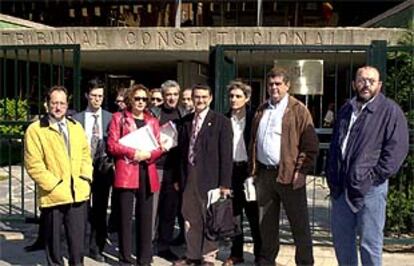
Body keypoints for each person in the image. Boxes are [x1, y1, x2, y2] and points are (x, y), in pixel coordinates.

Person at [326, 65, 409, 266]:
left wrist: (373, 177)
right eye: (362, 80)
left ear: (379, 85)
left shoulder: (390, 111)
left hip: (370, 189)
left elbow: (396, 150)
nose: (366, 85)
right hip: (341, 188)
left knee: (370, 245)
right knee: (342, 243)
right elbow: (337, 143)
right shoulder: (347, 109)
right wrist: (331, 173)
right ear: (355, 83)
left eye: (371, 81)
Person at [249, 67, 319, 266]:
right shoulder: (261, 109)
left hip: (290, 175)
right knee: (266, 223)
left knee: (299, 224)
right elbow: (253, 141)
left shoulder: (298, 110)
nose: (274, 87)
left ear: (287, 86)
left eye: (278, 84)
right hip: (265, 174)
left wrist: (302, 171)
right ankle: (267, 259)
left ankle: (305, 262)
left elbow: (310, 145)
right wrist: (253, 170)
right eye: (271, 84)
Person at [24, 85, 93, 266]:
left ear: (67, 104)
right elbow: (34, 164)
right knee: (54, 247)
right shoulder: (35, 130)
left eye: (62, 103)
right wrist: (55, 185)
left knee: (77, 247)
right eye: (54, 103)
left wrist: (85, 177)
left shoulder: (75, 127)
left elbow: (86, 155)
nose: (58, 107)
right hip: (53, 195)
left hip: (78, 194)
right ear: (47, 104)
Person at [174, 84, 233, 266]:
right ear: (192, 98)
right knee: (190, 218)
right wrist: (178, 178)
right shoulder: (185, 121)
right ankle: (192, 255)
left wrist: (224, 184)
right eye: (196, 97)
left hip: (211, 178)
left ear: (210, 98)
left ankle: (208, 257)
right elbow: (179, 153)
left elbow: (226, 154)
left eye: (203, 97)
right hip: (188, 176)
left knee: (210, 218)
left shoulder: (221, 121)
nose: (199, 100)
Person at [107, 84, 164, 266]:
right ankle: (124, 257)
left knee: (146, 217)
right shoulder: (119, 118)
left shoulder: (152, 121)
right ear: (131, 99)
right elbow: (112, 145)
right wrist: (133, 153)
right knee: (124, 217)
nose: (141, 102)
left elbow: (159, 147)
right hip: (127, 170)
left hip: (147, 171)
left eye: (144, 99)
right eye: (137, 98)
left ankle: (144, 258)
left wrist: (148, 155)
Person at [73, 78, 113, 262]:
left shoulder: (111, 118)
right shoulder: (76, 119)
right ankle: (78, 246)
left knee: (100, 209)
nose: (97, 99)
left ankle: (96, 247)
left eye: (100, 96)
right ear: (86, 96)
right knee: (80, 209)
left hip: (103, 171)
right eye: (94, 96)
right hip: (81, 169)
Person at [222, 80, 261, 266]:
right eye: (231, 96)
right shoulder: (223, 119)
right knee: (234, 216)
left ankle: (260, 254)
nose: (234, 99)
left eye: (238, 96)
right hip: (231, 172)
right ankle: (236, 253)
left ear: (247, 98)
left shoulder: (255, 118)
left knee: (254, 216)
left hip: (250, 171)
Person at [150, 80, 185, 261]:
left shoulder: (184, 114)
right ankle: (148, 245)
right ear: (163, 97)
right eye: (168, 95)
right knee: (152, 209)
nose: (171, 98)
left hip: (174, 170)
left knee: (169, 210)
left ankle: (164, 245)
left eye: (174, 94)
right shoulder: (154, 114)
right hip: (155, 166)